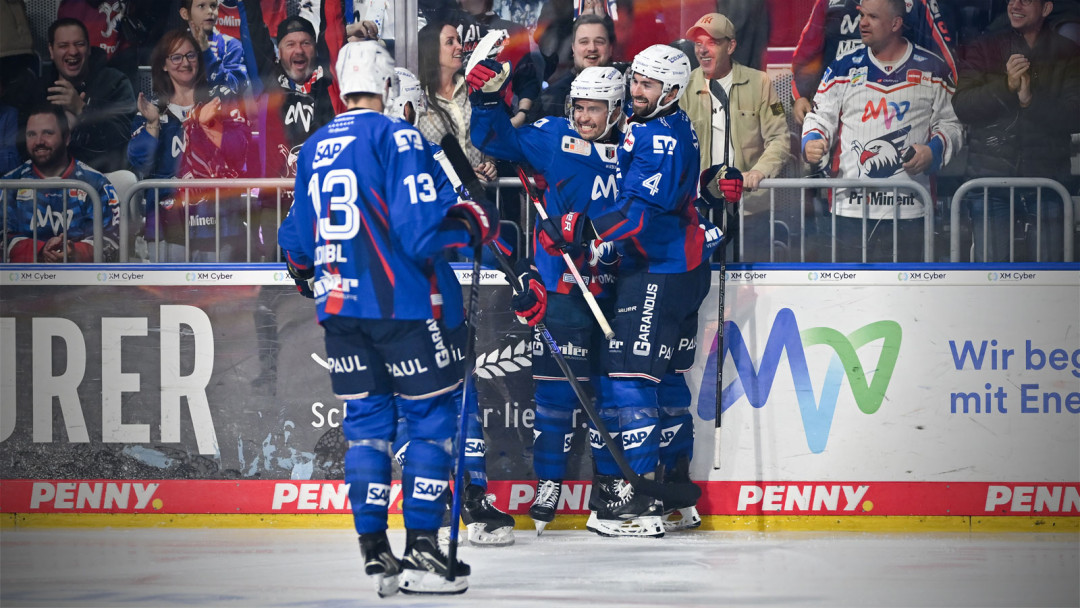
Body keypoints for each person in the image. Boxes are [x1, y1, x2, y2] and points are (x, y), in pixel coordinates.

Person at [277, 40, 499, 597]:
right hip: (400, 306)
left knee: (369, 429)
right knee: (431, 420)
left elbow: (296, 244)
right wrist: (468, 225)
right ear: (387, 85)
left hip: (339, 312)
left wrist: (319, 273)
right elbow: (421, 233)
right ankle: (422, 543)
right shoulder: (400, 137)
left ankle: (373, 547)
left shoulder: (316, 146)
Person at [541, 45, 714, 537]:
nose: (636, 91)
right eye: (634, 80)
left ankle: (641, 504)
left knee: (628, 377)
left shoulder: (658, 138)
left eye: (647, 85)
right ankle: (677, 497)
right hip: (678, 264)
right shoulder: (661, 125)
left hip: (661, 270)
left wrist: (577, 226)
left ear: (673, 92)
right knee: (667, 381)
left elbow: (636, 215)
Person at [471, 63, 624, 533]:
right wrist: (486, 101)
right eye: (579, 107)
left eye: (594, 109)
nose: (584, 117)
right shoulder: (555, 137)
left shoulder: (637, 149)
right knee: (556, 397)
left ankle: (613, 485)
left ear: (616, 110)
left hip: (620, 289)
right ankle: (550, 483)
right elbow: (498, 142)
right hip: (562, 286)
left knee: (612, 397)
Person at [388, 67, 518, 547]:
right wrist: (477, 217)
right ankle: (470, 496)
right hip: (429, 296)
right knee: (455, 398)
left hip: (373, 304)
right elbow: (469, 215)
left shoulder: (334, 150)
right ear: (407, 108)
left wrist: (304, 270)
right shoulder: (424, 155)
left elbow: (299, 232)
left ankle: (439, 497)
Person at [801, 0, 963, 262]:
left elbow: (952, 125)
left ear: (896, 24)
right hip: (849, 210)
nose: (862, 23)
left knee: (910, 297)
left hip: (911, 210)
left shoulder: (933, 69)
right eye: (862, 15)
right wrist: (812, 140)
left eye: (872, 17)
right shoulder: (842, 68)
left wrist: (933, 151)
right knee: (846, 297)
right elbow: (819, 117)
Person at [953, 0, 1080, 262]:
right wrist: (1006, 87)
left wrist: (1030, 100)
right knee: (992, 277)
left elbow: (1075, 115)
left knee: (1048, 280)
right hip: (990, 182)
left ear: (1046, 9)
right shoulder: (984, 46)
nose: (1016, 5)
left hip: (1048, 182)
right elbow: (963, 106)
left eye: (1026, 0)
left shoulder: (1068, 52)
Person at [127, 29, 249, 262]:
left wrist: (210, 124)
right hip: (167, 226)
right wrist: (153, 125)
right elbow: (140, 162)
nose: (185, 63)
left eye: (191, 56)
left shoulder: (221, 102)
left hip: (219, 224)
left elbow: (239, 152)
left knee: (220, 297)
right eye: (176, 57)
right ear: (164, 64)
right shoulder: (152, 110)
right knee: (169, 297)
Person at [680, 13, 791, 262]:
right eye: (698, 43)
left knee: (754, 285)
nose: (703, 50)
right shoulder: (685, 87)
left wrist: (758, 172)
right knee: (704, 282)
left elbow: (780, 139)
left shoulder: (759, 82)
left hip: (751, 206)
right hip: (702, 208)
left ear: (730, 46)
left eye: (712, 42)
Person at [1, 18, 135, 175]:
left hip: (101, 179)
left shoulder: (115, 82)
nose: (73, 52)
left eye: (79, 44)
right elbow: (23, 148)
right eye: (63, 45)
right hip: (46, 180)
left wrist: (83, 110)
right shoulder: (36, 89)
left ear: (89, 48)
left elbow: (124, 139)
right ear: (51, 51)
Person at [791, 0, 958, 125]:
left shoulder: (917, 3)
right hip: (838, 101)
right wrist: (801, 96)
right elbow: (809, 51)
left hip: (900, 104)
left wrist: (953, 104)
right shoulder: (829, 2)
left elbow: (943, 58)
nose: (863, 22)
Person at [256, 15, 336, 258]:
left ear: (315, 48)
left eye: (306, 43)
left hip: (323, 204)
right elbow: (252, 27)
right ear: (278, 51)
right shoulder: (267, 80)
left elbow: (332, 24)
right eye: (290, 44)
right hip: (275, 206)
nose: (299, 50)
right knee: (273, 284)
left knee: (322, 278)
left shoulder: (329, 84)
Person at [2, 104, 119, 263]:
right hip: (22, 282)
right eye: (31, 134)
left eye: (47, 133)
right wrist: (39, 250)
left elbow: (111, 240)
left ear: (67, 138)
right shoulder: (9, 184)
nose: (39, 141)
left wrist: (74, 252)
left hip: (80, 282)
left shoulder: (96, 183)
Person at [415, 20, 498, 182]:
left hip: (479, 197)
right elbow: (417, 156)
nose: (460, 46)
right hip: (442, 197)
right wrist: (460, 174)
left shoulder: (473, 90)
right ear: (432, 50)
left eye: (459, 40)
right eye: (450, 42)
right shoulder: (417, 98)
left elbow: (490, 136)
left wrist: (490, 164)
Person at [527, 14, 620, 122]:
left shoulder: (627, 93)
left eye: (599, 42)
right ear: (573, 48)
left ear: (610, 49)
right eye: (584, 42)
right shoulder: (551, 99)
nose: (592, 48)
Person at [180, 0, 251, 95]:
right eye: (201, 6)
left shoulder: (231, 45)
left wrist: (206, 50)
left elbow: (235, 87)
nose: (210, 11)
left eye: (213, 5)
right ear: (185, 14)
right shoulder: (173, 47)